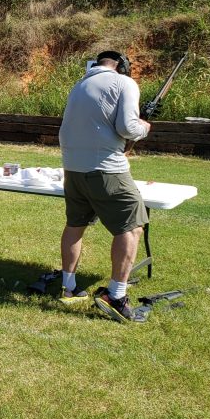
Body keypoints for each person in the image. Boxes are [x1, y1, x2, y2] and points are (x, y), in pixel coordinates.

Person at [57, 50, 151, 321]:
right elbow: (127, 127)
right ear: (121, 66)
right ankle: (116, 296)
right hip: (106, 168)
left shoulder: (79, 85)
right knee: (132, 226)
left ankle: (69, 289)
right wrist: (145, 127)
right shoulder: (125, 83)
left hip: (73, 168)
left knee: (75, 224)